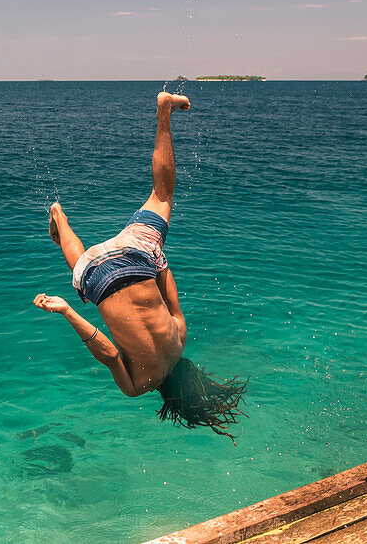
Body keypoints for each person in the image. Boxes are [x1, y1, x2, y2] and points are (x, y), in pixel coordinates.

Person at [34, 91, 246, 438]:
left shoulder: (179, 342)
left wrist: (152, 252)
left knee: (162, 196)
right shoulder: (136, 386)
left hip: (137, 259)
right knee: (83, 267)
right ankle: (58, 214)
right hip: (98, 278)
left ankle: (164, 113)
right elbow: (107, 353)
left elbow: (165, 279)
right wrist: (67, 312)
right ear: (169, 400)